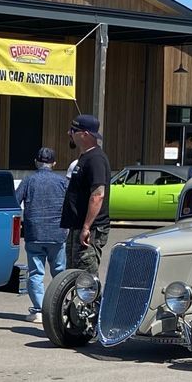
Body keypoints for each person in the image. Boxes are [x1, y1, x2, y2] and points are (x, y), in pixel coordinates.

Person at [14, 146, 68, 323]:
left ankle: (39, 310)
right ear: (54, 163)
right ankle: (60, 307)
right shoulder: (62, 182)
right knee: (59, 273)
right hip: (58, 233)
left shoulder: (29, 181)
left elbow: (15, 202)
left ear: (36, 162)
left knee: (36, 273)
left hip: (34, 232)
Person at [61, 113, 111, 275]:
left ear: (85, 134)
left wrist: (86, 227)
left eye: (73, 130)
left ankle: (94, 302)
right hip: (77, 227)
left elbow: (98, 195)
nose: (69, 133)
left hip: (90, 230)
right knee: (73, 275)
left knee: (86, 278)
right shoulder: (85, 157)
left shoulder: (96, 159)